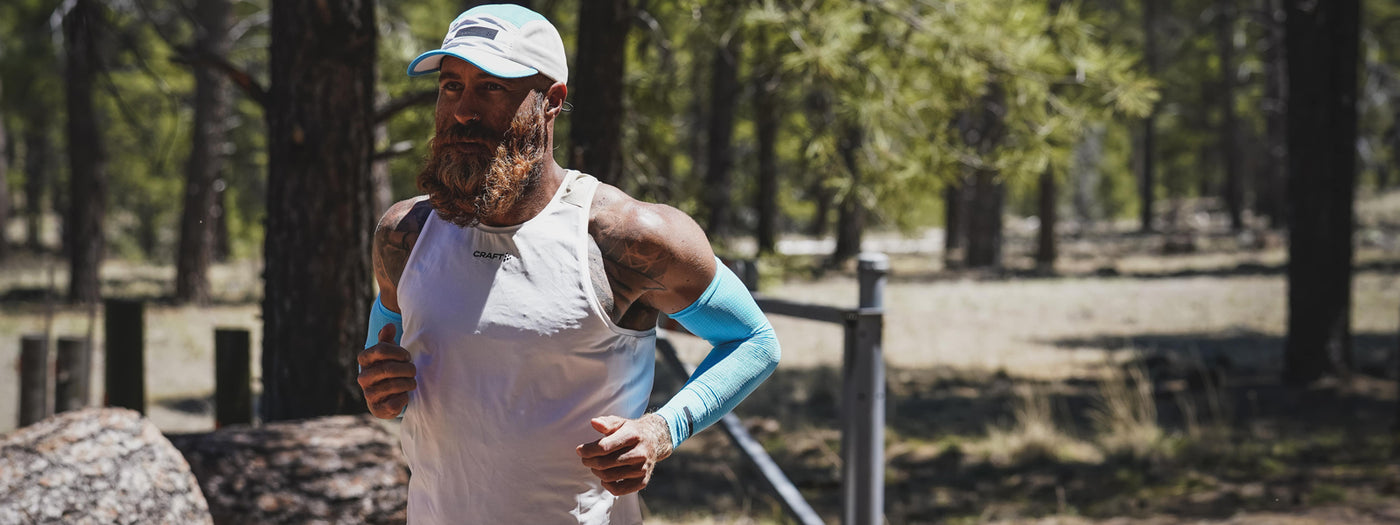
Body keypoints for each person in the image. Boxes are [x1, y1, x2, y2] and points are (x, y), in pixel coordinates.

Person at [353, 5, 781, 524]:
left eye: (491, 88)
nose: (463, 110)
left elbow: (753, 341)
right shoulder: (405, 234)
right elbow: (388, 377)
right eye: (451, 86)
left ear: (551, 101)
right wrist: (382, 390)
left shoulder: (625, 237)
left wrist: (662, 429)